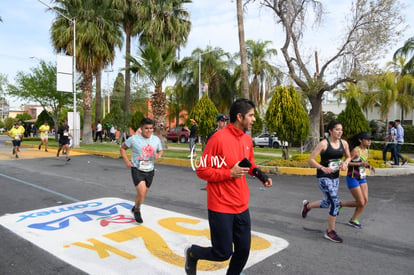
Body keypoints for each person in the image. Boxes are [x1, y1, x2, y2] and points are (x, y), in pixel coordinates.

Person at [184, 98, 272, 275]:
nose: (254, 119)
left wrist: (261, 175)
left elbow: (250, 164)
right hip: (220, 205)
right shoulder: (218, 139)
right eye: (251, 115)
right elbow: (202, 170)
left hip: (241, 205)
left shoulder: (247, 140)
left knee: (243, 251)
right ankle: (193, 253)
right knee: (223, 253)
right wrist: (229, 173)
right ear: (240, 117)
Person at [302, 120, 351, 243]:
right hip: (323, 177)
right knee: (334, 202)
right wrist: (322, 167)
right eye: (337, 130)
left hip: (335, 177)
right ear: (330, 131)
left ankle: (308, 206)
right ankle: (330, 231)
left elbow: (348, 157)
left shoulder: (343, 143)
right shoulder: (323, 144)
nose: (340, 132)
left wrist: (345, 163)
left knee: (326, 203)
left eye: (341, 130)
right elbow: (311, 159)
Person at [120, 118, 163, 224]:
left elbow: (160, 150)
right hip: (137, 169)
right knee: (141, 192)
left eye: (151, 128)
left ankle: (135, 206)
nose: (149, 131)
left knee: (143, 193)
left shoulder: (156, 140)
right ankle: (137, 211)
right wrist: (126, 161)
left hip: (150, 170)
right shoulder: (134, 139)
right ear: (141, 128)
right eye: (146, 128)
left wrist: (159, 155)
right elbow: (122, 148)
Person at [341, 132, 375, 229]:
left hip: (362, 178)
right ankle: (340, 204)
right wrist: (359, 164)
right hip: (353, 178)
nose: (369, 141)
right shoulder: (356, 151)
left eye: (370, 139)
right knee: (360, 202)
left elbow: (363, 162)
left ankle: (353, 220)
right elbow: (346, 162)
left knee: (365, 201)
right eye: (367, 139)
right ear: (360, 140)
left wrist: (369, 166)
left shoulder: (366, 150)